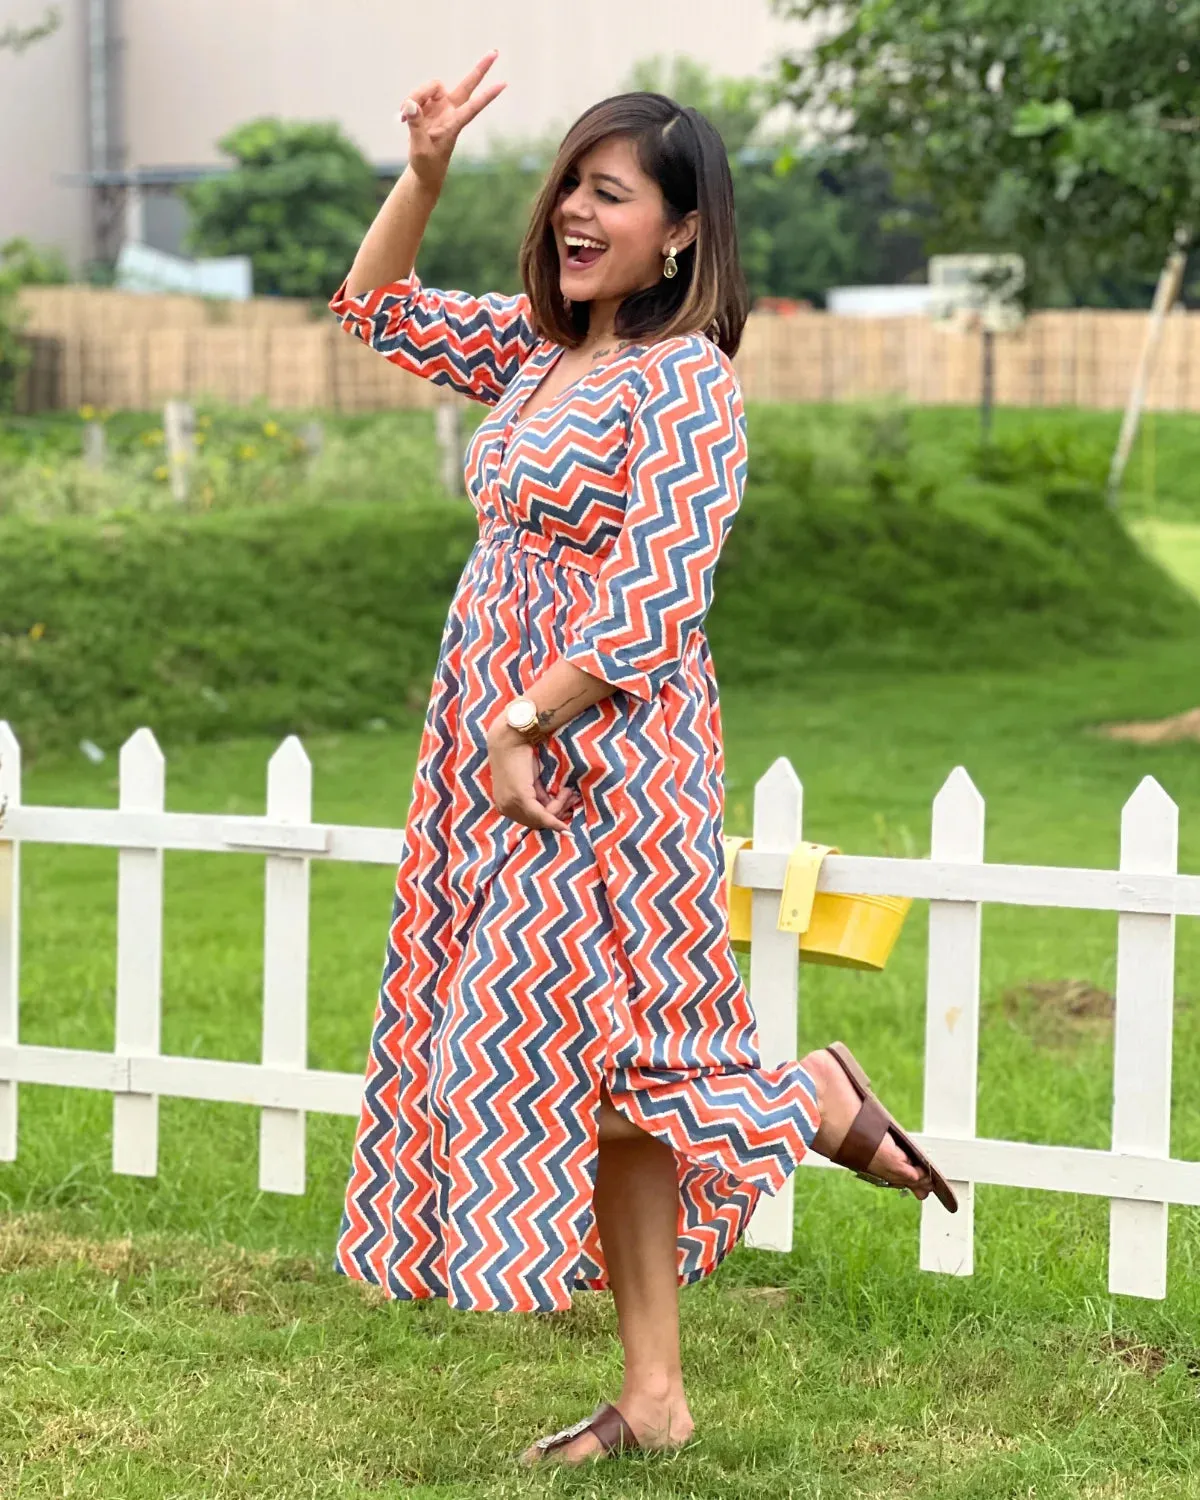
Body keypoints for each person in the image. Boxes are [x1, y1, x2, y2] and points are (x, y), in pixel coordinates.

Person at [328, 49, 957, 1470]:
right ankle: (657, 1396)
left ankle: (806, 1101)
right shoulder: (545, 355)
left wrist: (526, 720)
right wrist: (422, 177)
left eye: (610, 193)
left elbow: (654, 598)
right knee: (604, 1080)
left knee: (609, 1056)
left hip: (602, 752)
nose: (575, 212)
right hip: (503, 744)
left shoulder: (686, 386)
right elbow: (372, 307)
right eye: (570, 187)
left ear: (682, 231)